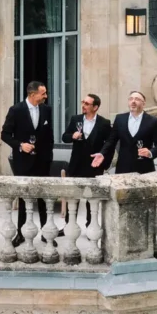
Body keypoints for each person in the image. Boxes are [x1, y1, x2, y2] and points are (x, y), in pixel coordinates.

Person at [1, 81, 55, 246]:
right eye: (43, 93)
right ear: (33, 95)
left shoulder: (46, 109)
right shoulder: (16, 110)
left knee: (43, 198)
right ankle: (21, 234)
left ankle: (47, 234)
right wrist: (20, 145)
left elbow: (49, 134)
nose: (46, 96)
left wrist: (48, 155)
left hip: (42, 161)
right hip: (23, 162)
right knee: (24, 199)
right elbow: (5, 134)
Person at [62, 93, 112, 226]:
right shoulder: (75, 119)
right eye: (83, 102)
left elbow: (110, 144)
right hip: (76, 164)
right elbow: (64, 137)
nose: (83, 105)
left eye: (87, 104)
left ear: (95, 107)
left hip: (94, 165)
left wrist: (104, 163)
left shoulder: (104, 123)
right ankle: (69, 224)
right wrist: (72, 135)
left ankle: (91, 225)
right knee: (73, 196)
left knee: (92, 198)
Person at [91, 90, 157, 175]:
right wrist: (102, 153)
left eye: (137, 99)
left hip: (144, 168)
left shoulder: (153, 121)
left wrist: (150, 152)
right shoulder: (120, 119)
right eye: (131, 99)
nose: (133, 101)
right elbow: (111, 141)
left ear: (143, 103)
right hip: (123, 167)